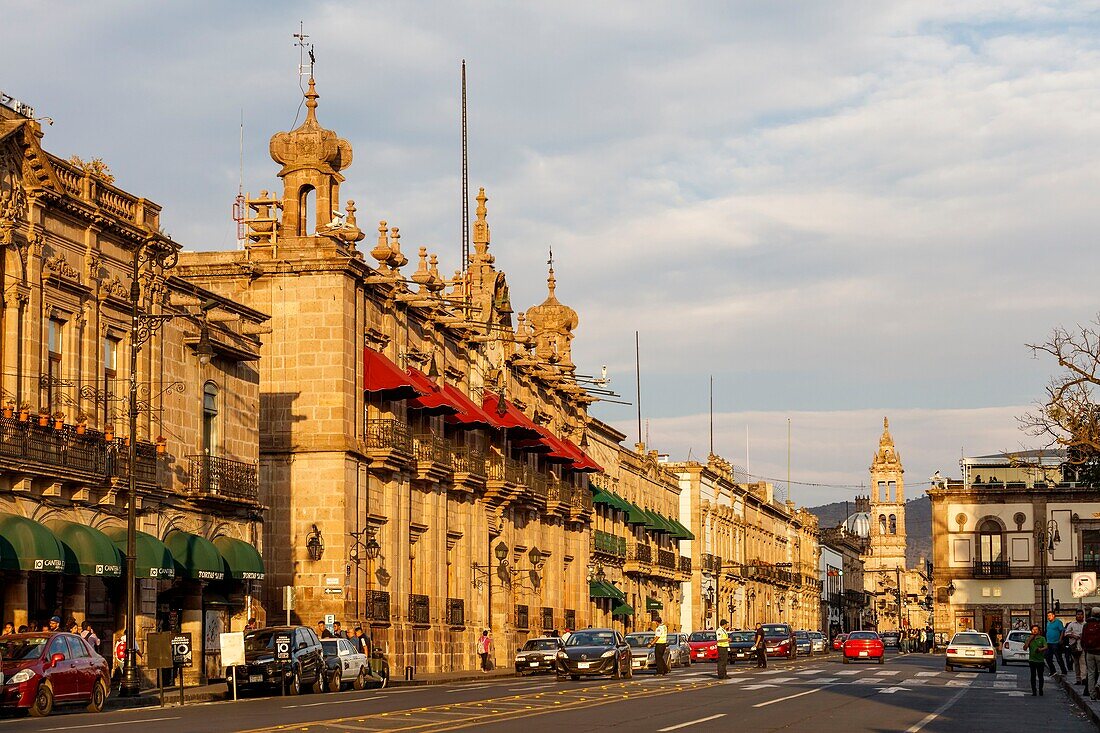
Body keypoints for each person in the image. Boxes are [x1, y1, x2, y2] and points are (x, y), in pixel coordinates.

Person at [1082, 607, 1100, 700]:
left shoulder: (1086, 625)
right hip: (1099, 652)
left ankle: (1092, 694)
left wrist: (1085, 649)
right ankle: (1098, 685)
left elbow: (1083, 638)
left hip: (1089, 652)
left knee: (1091, 673)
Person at [1026, 624, 1049, 696]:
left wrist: (1040, 649)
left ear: (1039, 631)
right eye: (1033, 630)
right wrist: (1029, 640)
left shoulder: (1042, 638)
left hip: (1040, 660)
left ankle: (1041, 689)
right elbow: (1024, 647)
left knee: (1040, 676)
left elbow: (1046, 647)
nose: (1034, 631)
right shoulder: (1029, 638)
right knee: (1032, 676)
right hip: (1032, 660)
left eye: (1036, 630)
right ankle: (1034, 691)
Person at [1065, 609, 1086, 685]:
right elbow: (1066, 634)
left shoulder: (1085, 624)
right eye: (1078, 614)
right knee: (1076, 663)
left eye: (1081, 614)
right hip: (1074, 646)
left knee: (1083, 662)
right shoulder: (1072, 624)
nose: (1079, 616)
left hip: (1083, 646)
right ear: (1076, 615)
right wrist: (1074, 636)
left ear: (1083, 615)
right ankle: (1078, 679)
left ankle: (1083, 678)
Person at [1045, 610, 1068, 676]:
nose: (1048, 617)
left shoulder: (1058, 622)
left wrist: (1060, 639)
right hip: (1049, 642)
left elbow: (1062, 631)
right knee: (1047, 657)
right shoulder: (1048, 623)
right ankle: (1053, 671)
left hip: (1055, 642)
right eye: (1048, 616)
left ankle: (1064, 671)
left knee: (1058, 658)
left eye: (1050, 616)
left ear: (1053, 615)